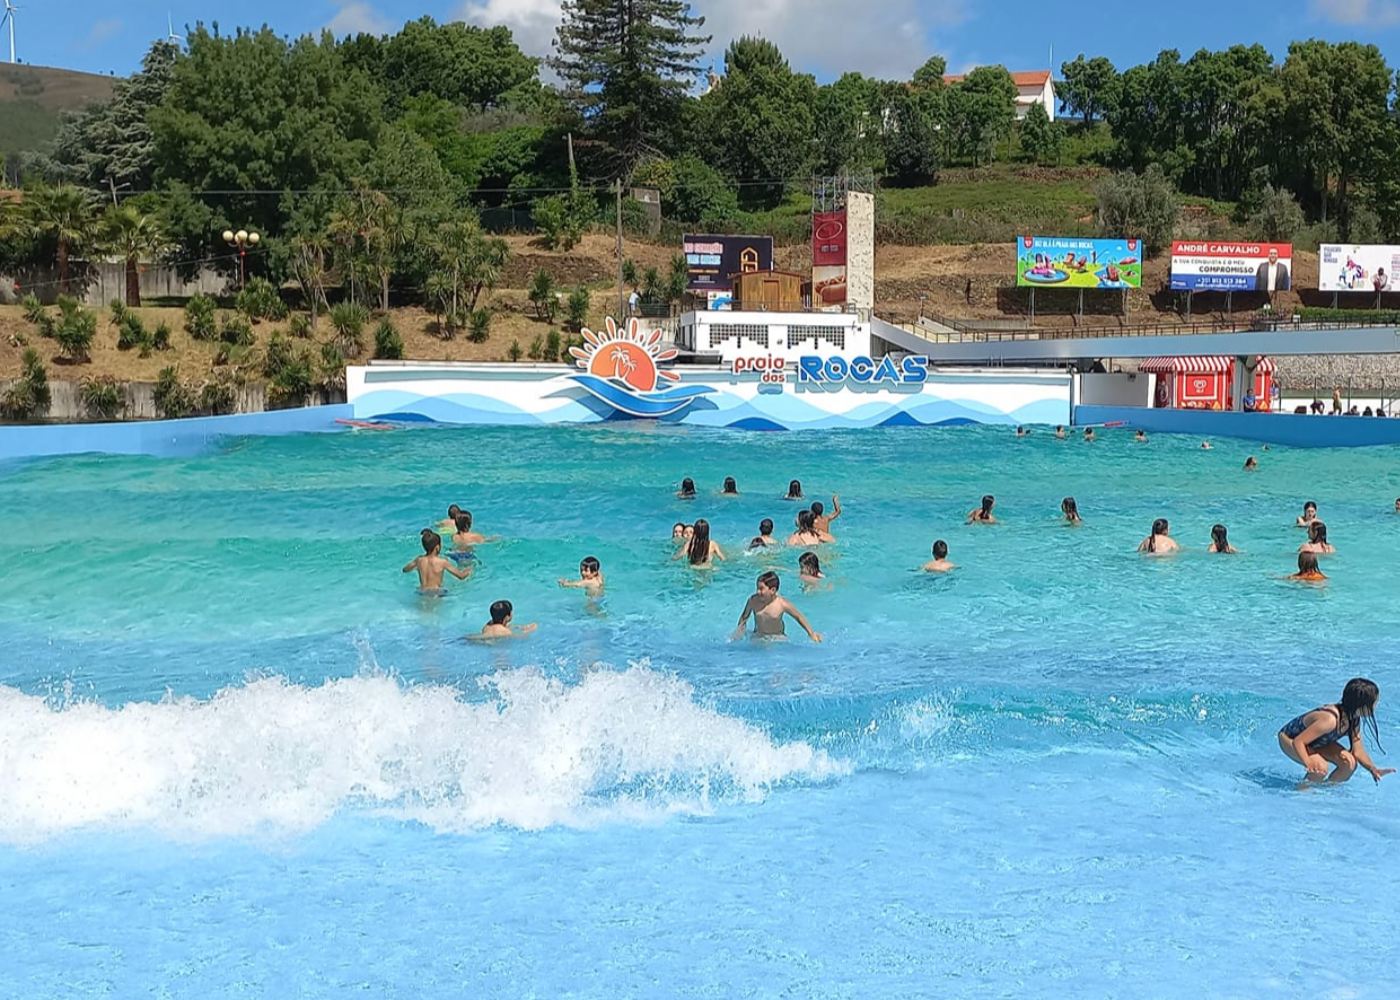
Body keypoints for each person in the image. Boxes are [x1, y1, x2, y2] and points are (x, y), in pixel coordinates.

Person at [1278, 678, 1392, 784]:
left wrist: (1372, 769)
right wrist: (1308, 762)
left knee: (1349, 763)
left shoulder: (1354, 718)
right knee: (1320, 767)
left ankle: (1324, 792)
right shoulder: (1330, 720)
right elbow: (1299, 741)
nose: (1376, 705)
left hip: (1315, 742)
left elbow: (1358, 752)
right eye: (1374, 702)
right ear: (1361, 705)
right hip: (1290, 738)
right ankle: (1301, 795)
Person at [732, 570, 822, 643]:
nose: (757, 592)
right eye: (757, 588)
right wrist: (739, 632)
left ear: (773, 590)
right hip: (758, 636)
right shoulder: (753, 601)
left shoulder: (781, 604)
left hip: (777, 638)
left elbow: (798, 617)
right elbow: (744, 617)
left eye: (761, 589)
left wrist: (811, 633)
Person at [403, 529, 472, 592]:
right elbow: (461, 576)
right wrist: (468, 570)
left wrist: (418, 567)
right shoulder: (442, 562)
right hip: (436, 592)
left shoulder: (419, 560)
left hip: (422, 592)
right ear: (437, 547)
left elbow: (405, 570)